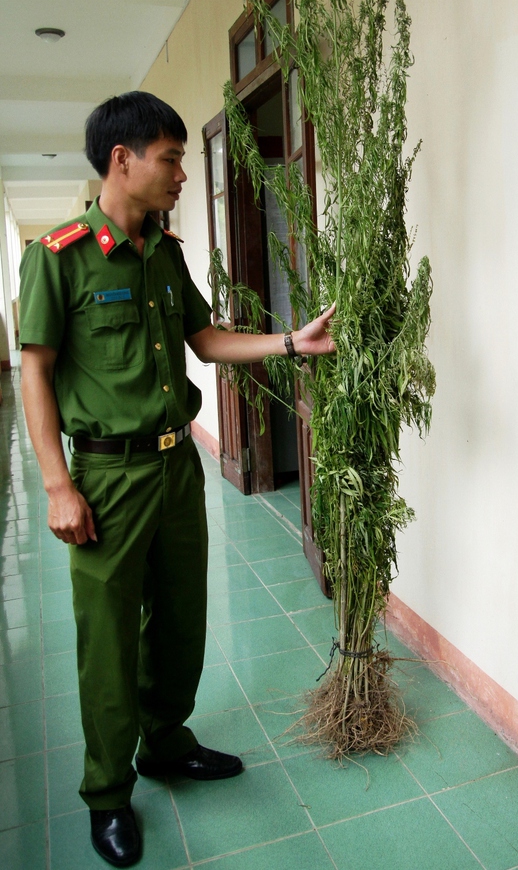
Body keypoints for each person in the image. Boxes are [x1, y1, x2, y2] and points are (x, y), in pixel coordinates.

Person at [19, 91, 335, 868]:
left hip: (174, 468)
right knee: (107, 642)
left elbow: (205, 338)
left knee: (181, 618)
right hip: (104, 476)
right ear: (121, 161)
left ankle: (164, 741)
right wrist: (58, 486)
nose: (183, 174)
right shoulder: (59, 256)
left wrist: (289, 343)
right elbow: (36, 371)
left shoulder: (166, 252)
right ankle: (106, 792)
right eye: (171, 158)